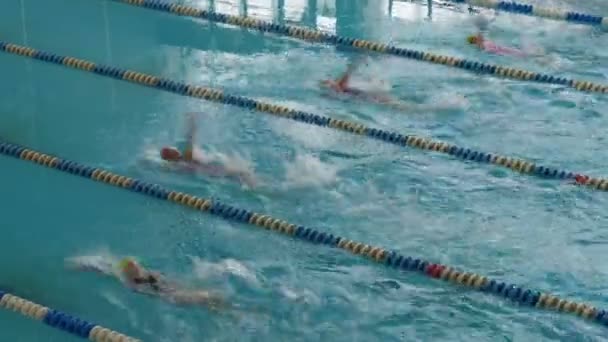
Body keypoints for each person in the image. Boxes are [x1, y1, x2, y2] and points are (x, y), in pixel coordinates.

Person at [69, 256, 225, 310]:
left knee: (208, 297)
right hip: (169, 295)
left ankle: (222, 306)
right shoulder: (132, 281)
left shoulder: (139, 277)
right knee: (205, 298)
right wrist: (82, 265)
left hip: (167, 291)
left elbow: (106, 266)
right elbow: (103, 267)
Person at [320, 58, 468, 112]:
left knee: (405, 106)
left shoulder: (343, 92)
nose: (331, 82)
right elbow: (343, 81)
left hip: (373, 98)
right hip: (374, 98)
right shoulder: (342, 88)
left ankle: (440, 106)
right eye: (330, 83)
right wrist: (352, 67)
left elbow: (343, 82)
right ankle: (442, 106)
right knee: (406, 106)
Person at [160, 113, 256, 187]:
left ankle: (255, 184)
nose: (175, 149)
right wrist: (192, 123)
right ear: (173, 155)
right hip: (213, 168)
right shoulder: (186, 156)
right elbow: (190, 138)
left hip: (209, 171)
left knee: (239, 176)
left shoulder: (177, 165)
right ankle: (257, 186)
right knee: (242, 175)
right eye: (173, 150)